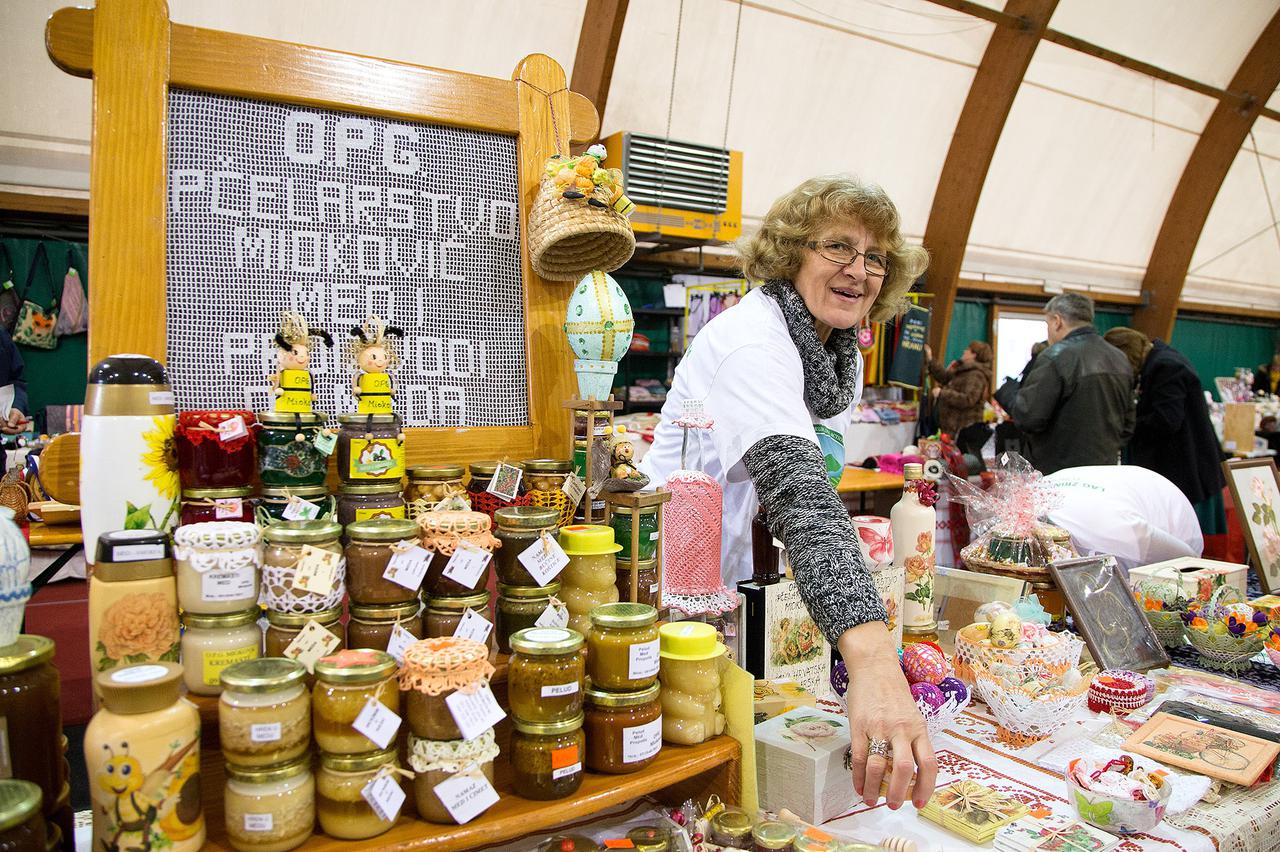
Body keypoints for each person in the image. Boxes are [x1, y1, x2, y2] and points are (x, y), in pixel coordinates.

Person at [638, 176, 935, 811]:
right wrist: (876, 666)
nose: (860, 270)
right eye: (838, 248)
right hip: (670, 574)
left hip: (741, 581)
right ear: (790, 253)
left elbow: (818, 481)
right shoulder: (754, 341)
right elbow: (800, 493)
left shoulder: (835, 359)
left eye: (876, 257)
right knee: (684, 763)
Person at [1103, 328, 1224, 516]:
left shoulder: (1166, 366)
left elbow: (1166, 420)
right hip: (1180, 469)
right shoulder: (1160, 360)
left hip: (1185, 471)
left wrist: (1123, 426)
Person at [1012, 294, 1134, 474]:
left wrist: (1010, 397)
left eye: (1047, 324)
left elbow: (1029, 417)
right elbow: (1128, 424)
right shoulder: (1119, 358)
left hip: (1060, 473)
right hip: (1105, 470)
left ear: (1057, 321)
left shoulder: (1055, 356)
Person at [1045, 465, 1202, 571]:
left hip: (1174, 523)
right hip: (1121, 493)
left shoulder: (1115, 530)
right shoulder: (1034, 498)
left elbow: (1189, 561)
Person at [923, 340, 991, 436]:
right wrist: (930, 359)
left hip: (962, 430)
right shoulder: (963, 370)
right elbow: (944, 377)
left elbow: (968, 399)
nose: (964, 351)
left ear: (974, 355)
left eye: (968, 350)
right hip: (952, 428)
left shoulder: (976, 375)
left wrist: (942, 394)